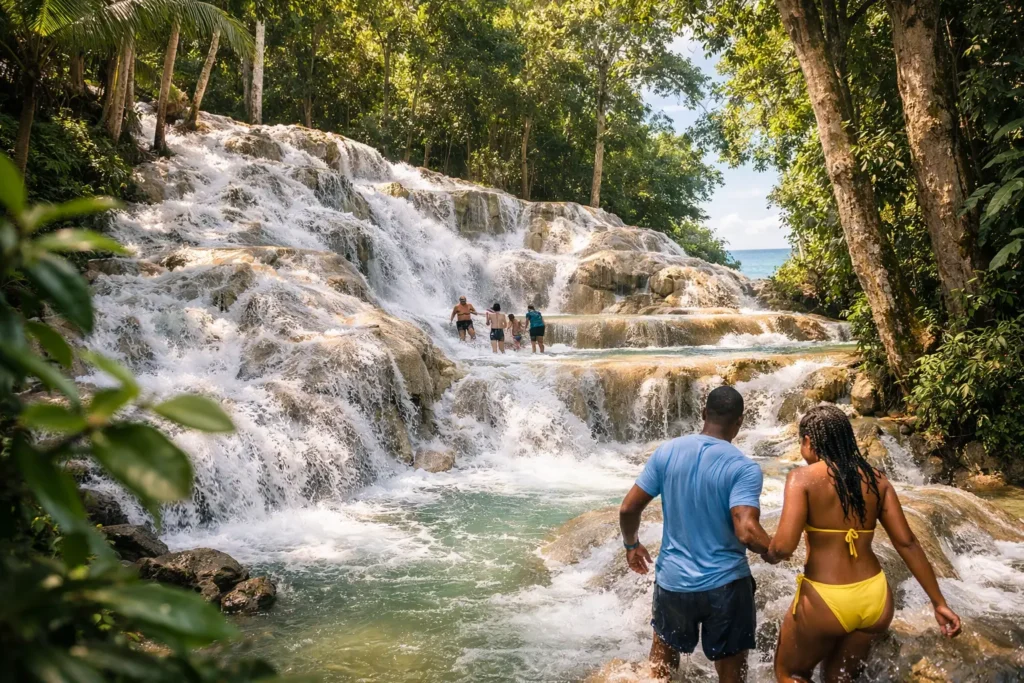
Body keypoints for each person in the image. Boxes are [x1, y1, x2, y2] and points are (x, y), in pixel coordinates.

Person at [767, 404, 961, 682]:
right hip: (875, 599)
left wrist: (766, 551)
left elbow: (784, 547)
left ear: (808, 441)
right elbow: (907, 543)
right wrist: (939, 603)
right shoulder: (877, 479)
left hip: (826, 598)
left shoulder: (802, 479)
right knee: (838, 679)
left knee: (791, 673)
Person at [619, 386, 771, 683]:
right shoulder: (743, 468)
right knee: (731, 674)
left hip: (674, 583)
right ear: (740, 422)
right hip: (726, 585)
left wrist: (632, 545)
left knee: (662, 665)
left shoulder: (667, 452)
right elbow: (746, 530)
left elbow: (628, 509)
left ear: (703, 414)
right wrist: (774, 550)